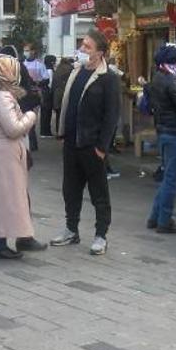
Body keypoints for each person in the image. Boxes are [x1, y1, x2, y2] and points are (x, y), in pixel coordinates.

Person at [49, 29, 121, 256]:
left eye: (88, 47)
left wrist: (102, 147)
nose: (82, 49)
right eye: (83, 45)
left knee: (99, 192)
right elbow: (67, 103)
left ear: (100, 53)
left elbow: (111, 115)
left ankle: (101, 235)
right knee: (70, 189)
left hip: (92, 145)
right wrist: (61, 132)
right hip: (71, 141)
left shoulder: (108, 78)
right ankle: (71, 229)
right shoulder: (75, 71)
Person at [0, 54, 45, 259]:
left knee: (2, 198)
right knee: (11, 197)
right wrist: (31, 116)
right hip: (4, 153)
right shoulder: (2, 97)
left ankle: (12, 238)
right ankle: (6, 242)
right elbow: (13, 129)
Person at [145, 44, 176, 234]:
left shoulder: (158, 77)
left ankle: (155, 217)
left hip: (164, 131)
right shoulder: (172, 81)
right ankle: (165, 220)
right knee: (172, 179)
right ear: (173, 61)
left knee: (167, 178)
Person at [52, 55, 74, 133]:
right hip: (66, 93)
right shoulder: (71, 69)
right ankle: (65, 132)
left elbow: (54, 83)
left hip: (57, 93)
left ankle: (58, 131)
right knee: (66, 113)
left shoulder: (58, 69)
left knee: (58, 114)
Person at [40, 54, 56, 137]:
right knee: (47, 113)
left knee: (44, 113)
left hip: (44, 93)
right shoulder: (50, 71)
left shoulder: (44, 68)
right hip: (48, 94)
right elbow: (50, 83)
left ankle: (44, 131)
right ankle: (45, 131)